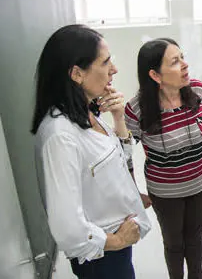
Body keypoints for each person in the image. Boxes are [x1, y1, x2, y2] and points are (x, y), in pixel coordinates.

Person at [32, 24, 151, 279]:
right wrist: (117, 241)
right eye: (106, 62)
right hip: (101, 257)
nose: (114, 69)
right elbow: (66, 228)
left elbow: (115, 161)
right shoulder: (60, 135)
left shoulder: (85, 112)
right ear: (77, 73)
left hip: (114, 243)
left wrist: (119, 120)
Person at [124, 38, 202, 279]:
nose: (185, 65)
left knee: (194, 237)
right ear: (155, 75)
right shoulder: (136, 109)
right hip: (165, 191)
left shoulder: (197, 90)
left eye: (183, 57)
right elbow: (124, 155)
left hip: (201, 182)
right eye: (175, 62)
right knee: (174, 243)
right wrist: (132, 190)